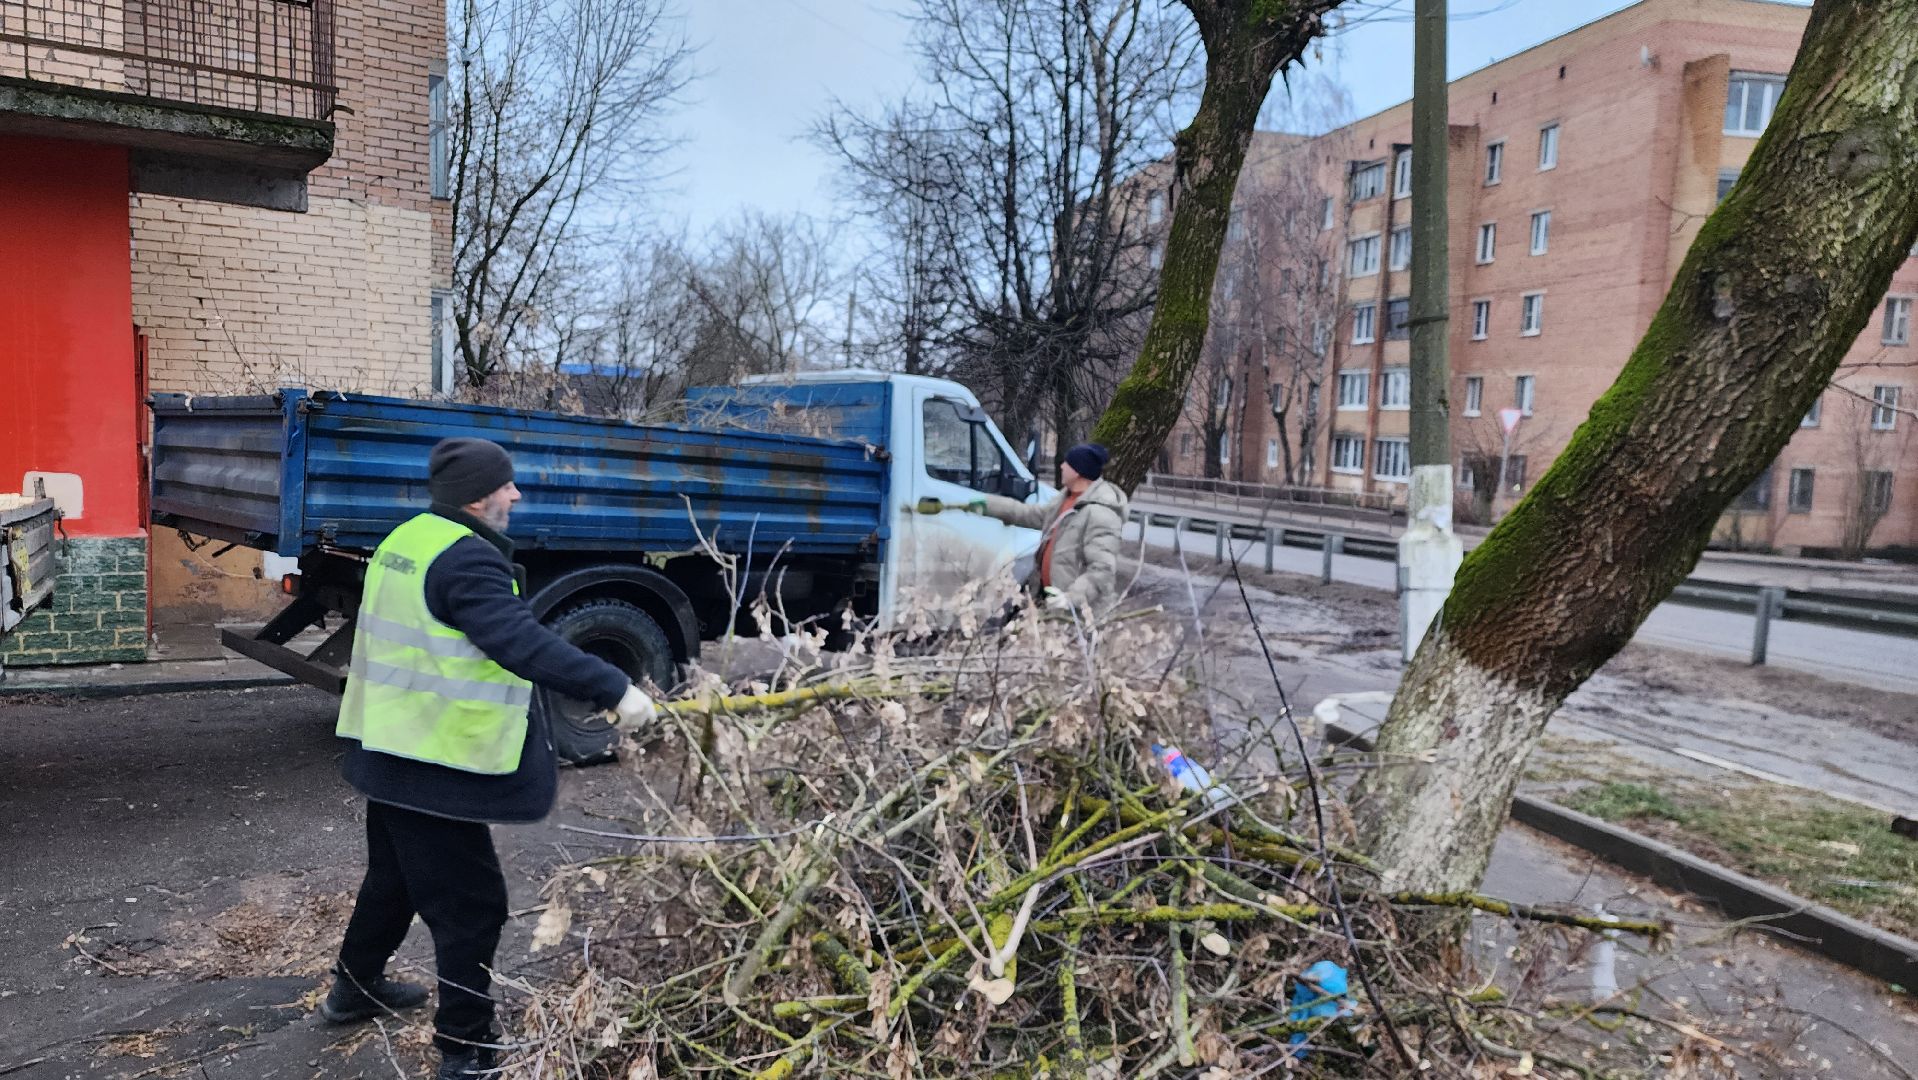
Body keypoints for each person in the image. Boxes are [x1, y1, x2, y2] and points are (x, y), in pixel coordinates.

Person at [320, 437, 659, 1080]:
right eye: (507, 485)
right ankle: (466, 1049)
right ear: (478, 495)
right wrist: (614, 687)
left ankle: (354, 990)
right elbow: (518, 641)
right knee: (473, 906)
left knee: (393, 881)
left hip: (388, 744)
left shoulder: (409, 538)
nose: (516, 495)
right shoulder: (466, 562)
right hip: (434, 761)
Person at [970, 443, 1130, 617]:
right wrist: (988, 505)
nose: (1061, 466)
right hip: (1049, 602)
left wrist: (1071, 598)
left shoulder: (1101, 514)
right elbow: (1029, 514)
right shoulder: (1064, 499)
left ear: (1077, 471)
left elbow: (1102, 570)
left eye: (1066, 463)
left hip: (1076, 615)